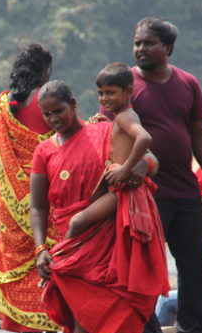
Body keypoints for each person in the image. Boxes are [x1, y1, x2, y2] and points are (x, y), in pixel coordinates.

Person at [30, 80, 168, 333]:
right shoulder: (44, 151)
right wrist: (40, 248)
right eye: (47, 114)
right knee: (82, 315)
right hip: (72, 241)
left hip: (113, 228)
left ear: (74, 105)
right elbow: (37, 206)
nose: (53, 119)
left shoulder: (103, 130)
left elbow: (151, 160)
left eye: (59, 111)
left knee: (125, 305)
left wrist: (140, 168)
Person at [128, 17, 202, 333]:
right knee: (145, 267)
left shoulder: (188, 83)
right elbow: (111, 135)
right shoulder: (126, 84)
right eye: (137, 43)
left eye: (148, 43)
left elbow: (198, 133)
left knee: (195, 264)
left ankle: (194, 332)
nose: (140, 49)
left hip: (184, 189)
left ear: (167, 48)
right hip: (145, 194)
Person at [0, 43, 66, 333]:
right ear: (45, 71)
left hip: (11, 204)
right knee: (49, 264)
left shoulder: (0, 107)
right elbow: (72, 141)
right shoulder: (53, 100)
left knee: (21, 269)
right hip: (51, 198)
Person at [62, 62, 154, 236]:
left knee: (77, 222)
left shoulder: (125, 117)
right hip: (115, 189)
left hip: (120, 191)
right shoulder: (119, 119)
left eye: (110, 93)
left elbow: (145, 138)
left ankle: (60, 260)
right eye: (101, 93)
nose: (104, 98)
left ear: (128, 92)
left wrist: (124, 169)